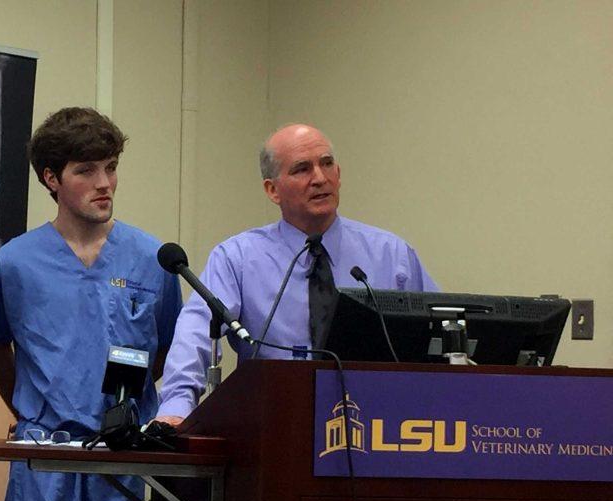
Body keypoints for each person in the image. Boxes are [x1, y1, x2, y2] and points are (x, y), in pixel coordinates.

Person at [0, 107, 182, 501]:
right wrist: (29, 408)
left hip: (120, 462)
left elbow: (167, 350)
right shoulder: (16, 263)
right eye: (87, 171)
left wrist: (132, 409)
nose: (105, 183)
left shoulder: (152, 259)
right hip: (46, 464)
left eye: (111, 168)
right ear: (51, 178)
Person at [157, 123, 438, 422]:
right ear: (272, 190)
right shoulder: (238, 258)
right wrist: (176, 407)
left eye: (327, 164)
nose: (319, 178)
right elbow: (197, 331)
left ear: (339, 175)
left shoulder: (391, 255)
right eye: (302, 169)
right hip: (274, 421)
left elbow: (440, 334)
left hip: (378, 422)